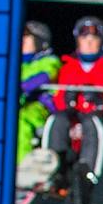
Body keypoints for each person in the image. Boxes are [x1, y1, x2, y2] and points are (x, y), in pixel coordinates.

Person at [45, 15, 103, 204]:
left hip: (95, 115)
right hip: (72, 115)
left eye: (94, 38)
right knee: (56, 120)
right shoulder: (68, 65)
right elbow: (57, 94)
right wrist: (65, 100)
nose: (89, 42)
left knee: (92, 125)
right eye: (85, 38)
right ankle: (53, 168)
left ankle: (88, 173)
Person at [16, 21, 60, 187]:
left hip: (38, 106)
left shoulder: (48, 60)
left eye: (27, 38)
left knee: (20, 121)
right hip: (19, 103)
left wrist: (22, 88)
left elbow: (43, 77)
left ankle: (21, 167)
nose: (21, 41)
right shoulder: (14, 62)